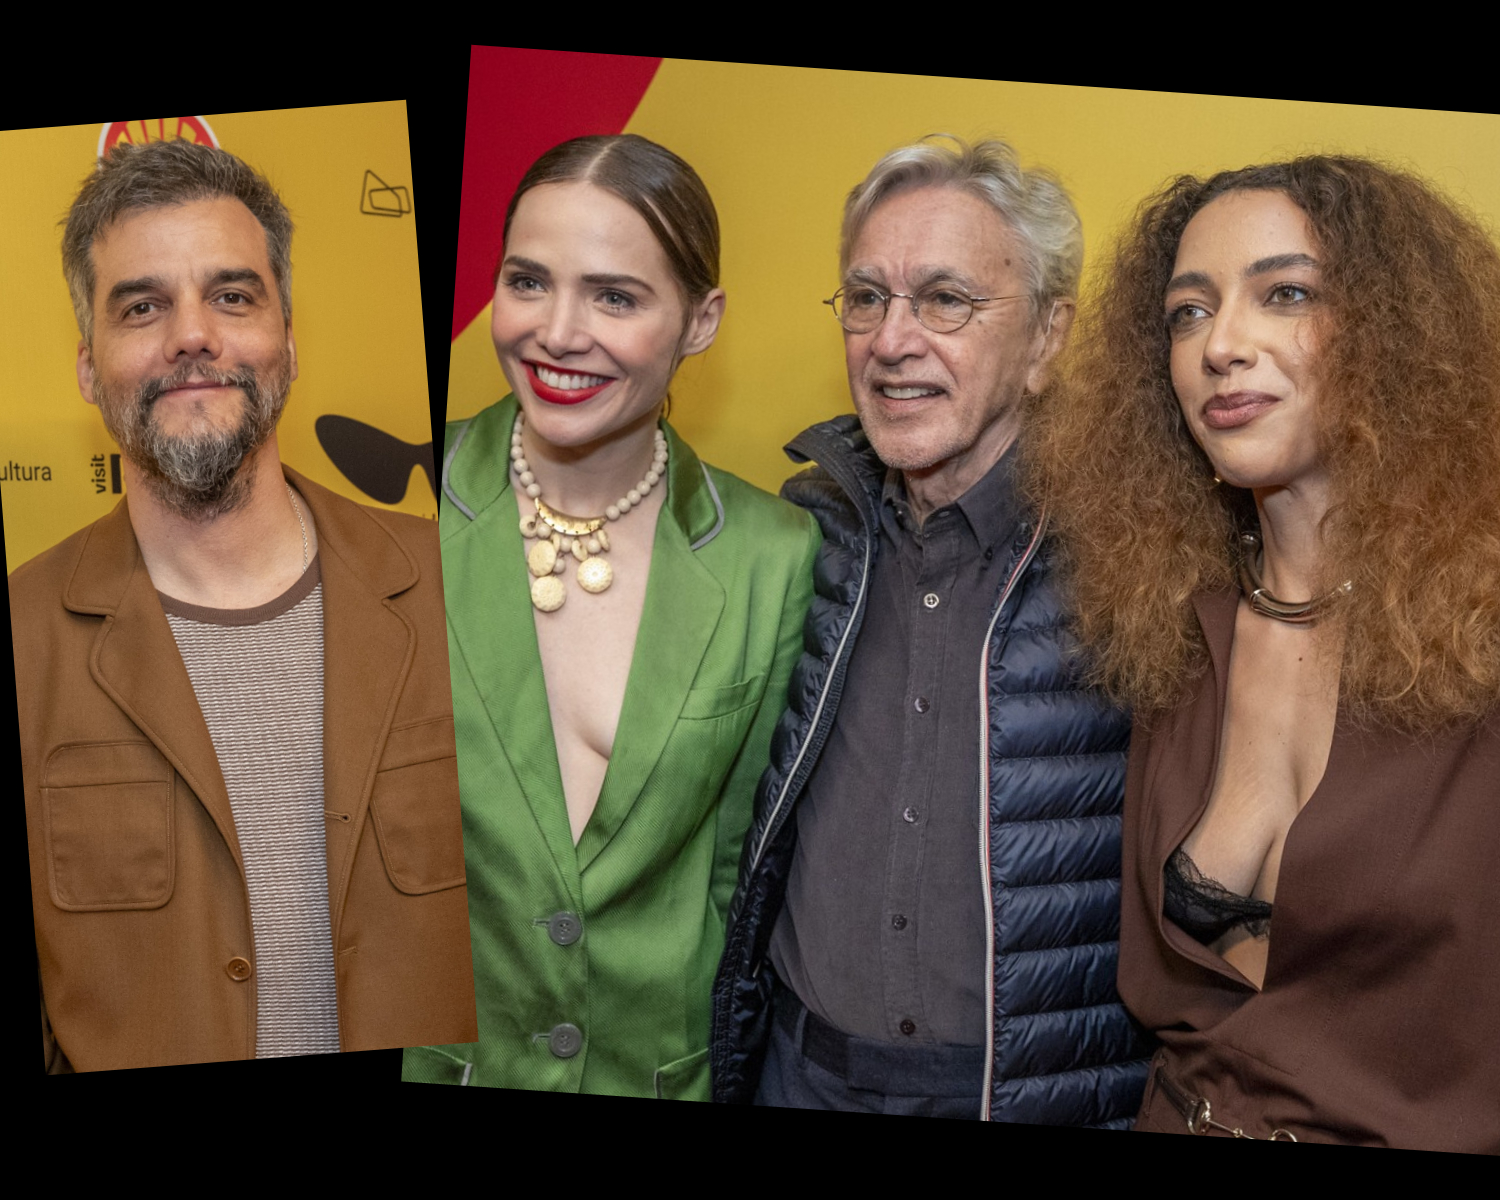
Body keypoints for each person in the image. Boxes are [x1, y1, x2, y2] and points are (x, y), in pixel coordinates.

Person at [1028, 155, 1500, 1148]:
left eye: (1285, 294)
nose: (1221, 346)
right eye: (1188, 313)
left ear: (1396, 329)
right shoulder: (1170, 630)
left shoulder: (1483, 632)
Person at [711, 136, 1152, 1121]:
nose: (891, 340)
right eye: (867, 298)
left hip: (1018, 1095)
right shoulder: (803, 535)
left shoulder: (1137, 562)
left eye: (946, 300)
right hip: (795, 1072)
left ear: (1045, 338)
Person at [14, 139, 476, 1072]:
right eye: (142, 306)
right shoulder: (24, 638)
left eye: (231, 296)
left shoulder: (462, 587)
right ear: (88, 368)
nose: (192, 335)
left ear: (290, 344)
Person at [401, 134, 819, 1099]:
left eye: (615, 297)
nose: (557, 333)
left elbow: (740, 874)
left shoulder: (773, 554)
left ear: (701, 320)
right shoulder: (397, 509)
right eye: (527, 282)